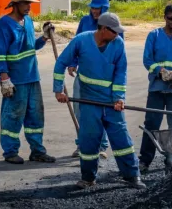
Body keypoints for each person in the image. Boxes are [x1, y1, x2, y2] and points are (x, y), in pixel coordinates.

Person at [53, 12, 146, 189]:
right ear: (103, 29)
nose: (118, 35)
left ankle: (132, 176)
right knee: (89, 140)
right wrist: (58, 90)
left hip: (111, 103)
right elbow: (61, 63)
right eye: (114, 31)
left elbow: (121, 72)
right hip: (88, 101)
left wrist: (119, 98)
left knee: (122, 140)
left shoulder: (118, 44)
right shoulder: (81, 41)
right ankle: (88, 178)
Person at [0, 0, 56, 164]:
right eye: (25, 3)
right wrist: (4, 78)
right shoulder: (3, 25)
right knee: (13, 116)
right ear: (15, 5)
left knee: (36, 116)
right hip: (15, 80)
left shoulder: (27, 21)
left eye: (30, 3)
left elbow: (31, 47)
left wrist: (43, 37)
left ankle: (37, 151)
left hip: (32, 78)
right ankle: (10, 151)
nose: (29, 7)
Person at [138, 4, 172, 173]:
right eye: (170, 18)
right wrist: (160, 71)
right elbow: (147, 59)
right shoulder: (154, 36)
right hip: (157, 87)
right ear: (164, 17)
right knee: (151, 125)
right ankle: (145, 160)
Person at [69, 0, 124, 159]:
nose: (94, 11)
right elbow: (75, 44)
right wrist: (73, 62)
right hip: (84, 77)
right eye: (92, 7)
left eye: (97, 8)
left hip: (105, 79)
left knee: (103, 112)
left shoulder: (114, 25)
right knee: (81, 110)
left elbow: (119, 55)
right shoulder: (85, 22)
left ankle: (101, 146)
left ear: (104, 8)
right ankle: (83, 144)